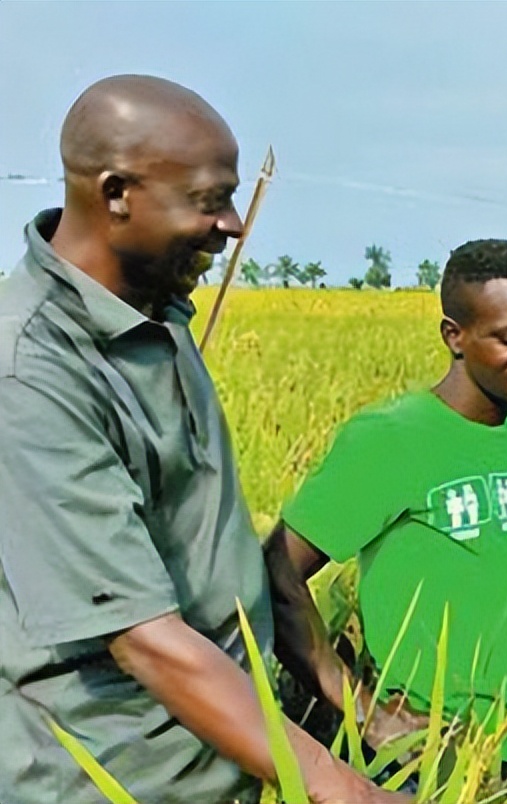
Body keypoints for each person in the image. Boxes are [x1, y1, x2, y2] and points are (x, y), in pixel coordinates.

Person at [0, 75, 405, 802]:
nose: (234, 225)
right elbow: (143, 638)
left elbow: (213, 555)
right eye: (209, 200)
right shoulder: (28, 372)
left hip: (224, 763)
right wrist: (350, 790)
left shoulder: (156, 307)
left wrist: (354, 706)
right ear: (118, 193)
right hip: (114, 780)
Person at [265, 239, 507, 764]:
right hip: (433, 753)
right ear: (455, 337)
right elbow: (275, 570)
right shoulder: (391, 438)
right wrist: (364, 714)